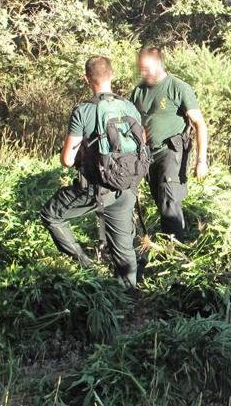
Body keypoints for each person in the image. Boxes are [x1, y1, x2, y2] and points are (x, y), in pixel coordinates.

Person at [39, 56, 140, 287]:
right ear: (112, 74)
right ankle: (129, 296)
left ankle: (87, 267)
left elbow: (67, 159)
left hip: (95, 189)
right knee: (124, 248)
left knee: (51, 215)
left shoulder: (83, 111)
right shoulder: (130, 107)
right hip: (126, 187)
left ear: (87, 79)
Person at [130, 47, 209, 238]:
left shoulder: (177, 87)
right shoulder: (138, 92)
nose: (144, 73)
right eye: (141, 69)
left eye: (147, 68)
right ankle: (173, 239)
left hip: (171, 151)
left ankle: (176, 251)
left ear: (159, 64)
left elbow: (200, 124)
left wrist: (201, 160)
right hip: (147, 155)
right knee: (160, 200)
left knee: (169, 200)